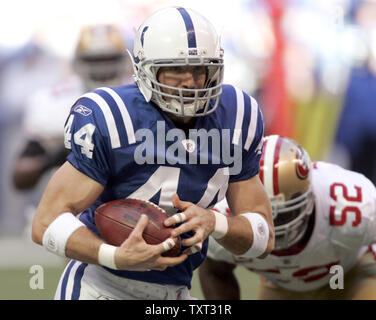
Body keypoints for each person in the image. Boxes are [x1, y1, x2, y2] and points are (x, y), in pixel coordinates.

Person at [31, 7, 274, 300]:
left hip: (175, 292)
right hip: (101, 288)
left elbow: (264, 238)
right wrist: (115, 255)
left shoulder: (237, 115)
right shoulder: (112, 115)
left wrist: (216, 222)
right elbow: (46, 222)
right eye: (175, 69)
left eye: (200, 69)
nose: (190, 81)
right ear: (145, 69)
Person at [199, 134, 376, 300]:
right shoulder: (223, 213)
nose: (276, 227)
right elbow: (215, 272)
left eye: (284, 215)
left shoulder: (353, 204)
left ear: (309, 197)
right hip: (280, 287)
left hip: (350, 275)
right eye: (265, 214)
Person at [13, 24, 131, 191]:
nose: (103, 69)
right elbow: (20, 179)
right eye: (95, 60)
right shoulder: (51, 102)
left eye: (109, 59)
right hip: (68, 204)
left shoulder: (141, 96)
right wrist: (57, 156)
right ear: (77, 62)